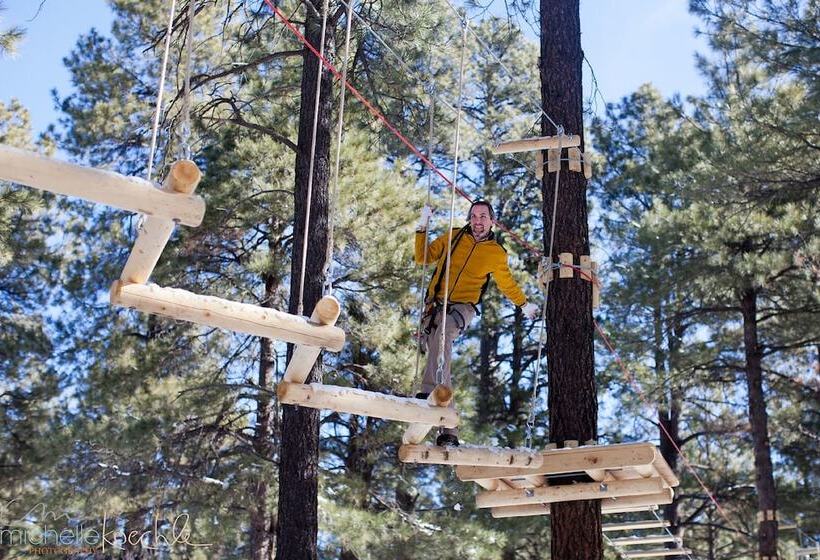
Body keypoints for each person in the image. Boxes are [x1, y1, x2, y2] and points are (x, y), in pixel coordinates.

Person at [414, 200, 538, 447]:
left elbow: (507, 284)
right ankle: (449, 431)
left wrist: (524, 305)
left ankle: (429, 392)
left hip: (462, 308)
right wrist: (422, 225)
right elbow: (423, 257)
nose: (478, 220)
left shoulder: (495, 253)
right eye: (474, 216)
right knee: (440, 357)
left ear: (492, 221)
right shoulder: (454, 236)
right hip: (435, 306)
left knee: (442, 338)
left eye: (483, 216)